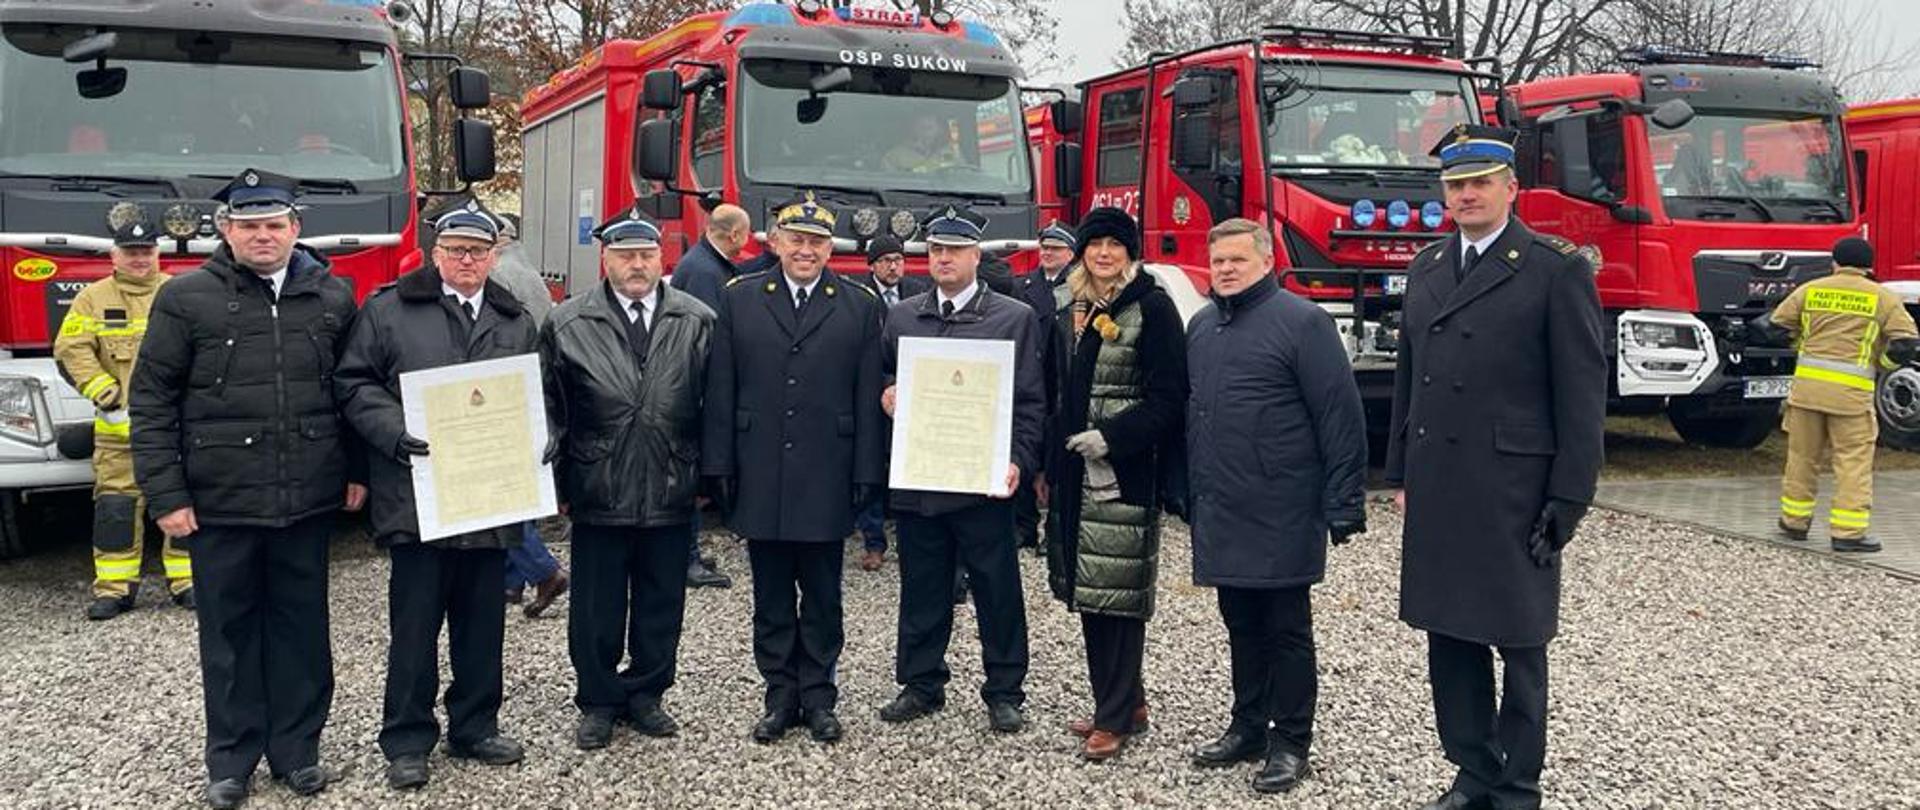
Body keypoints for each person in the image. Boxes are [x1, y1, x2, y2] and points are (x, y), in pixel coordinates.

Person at [1385, 126, 1607, 810]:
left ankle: (1516, 785)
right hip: (1444, 484)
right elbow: (1410, 376)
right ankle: (1471, 769)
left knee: (1519, 643)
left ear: (1511, 187)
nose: (1468, 195)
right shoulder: (1426, 267)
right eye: (1456, 185)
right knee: (1449, 638)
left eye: (1481, 182)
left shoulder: (1554, 267)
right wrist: (1402, 473)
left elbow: (1582, 391)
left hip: (1514, 488)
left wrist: (1570, 496)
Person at [129, 168, 365, 809]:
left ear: (295, 228)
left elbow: (355, 393)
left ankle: (297, 751)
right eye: (249, 226)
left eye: (274, 225)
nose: (263, 236)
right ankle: (232, 758)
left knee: (302, 630)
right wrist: (167, 494)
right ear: (226, 231)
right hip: (220, 500)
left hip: (306, 498)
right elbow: (150, 400)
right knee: (229, 635)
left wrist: (357, 472)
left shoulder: (332, 297)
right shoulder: (186, 300)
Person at [333, 203, 538, 790]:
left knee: (483, 625)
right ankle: (407, 738)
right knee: (415, 626)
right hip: (418, 495)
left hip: (489, 497)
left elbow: (536, 391)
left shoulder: (514, 318)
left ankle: (475, 725)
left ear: (495, 255)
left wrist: (538, 441)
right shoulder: (389, 310)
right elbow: (352, 381)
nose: (467, 260)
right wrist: (396, 432)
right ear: (435, 252)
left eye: (478, 250)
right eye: (456, 250)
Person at [1183, 217, 1367, 791]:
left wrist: (1344, 500)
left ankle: (1291, 740)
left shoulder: (1303, 323)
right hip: (1223, 502)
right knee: (1239, 621)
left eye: (1237, 260)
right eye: (1218, 262)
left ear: (1266, 261)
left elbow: (1339, 416)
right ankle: (1247, 725)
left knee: (1286, 629)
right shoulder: (1202, 325)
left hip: (1283, 504)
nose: (1226, 270)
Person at [701, 192, 886, 744]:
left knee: (825, 596)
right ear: (774, 242)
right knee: (772, 595)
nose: (806, 251)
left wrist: (866, 474)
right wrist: (719, 465)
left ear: (831, 249)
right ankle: (780, 695)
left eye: (817, 242)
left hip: (828, 470)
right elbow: (722, 387)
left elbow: (865, 394)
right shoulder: (740, 299)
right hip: (760, 468)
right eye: (796, 240)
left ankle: (820, 695)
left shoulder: (858, 304)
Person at [541, 207, 716, 750]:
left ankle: (646, 693)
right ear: (606, 259)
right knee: (596, 605)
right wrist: (559, 483)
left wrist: (709, 475)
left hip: (670, 480)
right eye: (625, 255)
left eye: (645, 255)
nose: (636, 265)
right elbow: (549, 405)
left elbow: (714, 401)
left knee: (662, 601)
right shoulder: (567, 322)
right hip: (600, 483)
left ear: (661, 259)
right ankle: (597, 700)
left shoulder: (696, 319)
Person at [876, 203, 1044, 733]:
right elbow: (881, 375)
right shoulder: (903, 315)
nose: (944, 259)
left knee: (997, 588)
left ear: (976, 255)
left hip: (982, 482)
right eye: (936, 251)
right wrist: (886, 395)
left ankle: (1004, 689)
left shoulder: (1013, 318)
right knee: (923, 586)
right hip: (923, 477)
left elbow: (1031, 402)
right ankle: (921, 682)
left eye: (954, 250)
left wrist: (1018, 460)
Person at [1042, 207, 1188, 761]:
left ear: (1131, 252)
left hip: (1122, 471)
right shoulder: (1072, 307)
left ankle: (1115, 717)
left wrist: (1112, 437)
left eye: (1115, 245)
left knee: (1119, 599)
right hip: (1077, 469)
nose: (1104, 254)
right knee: (1092, 592)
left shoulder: (1151, 308)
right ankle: (1125, 700)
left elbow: (1170, 399)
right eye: (1095, 244)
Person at [55, 221, 190, 620]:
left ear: (157, 253)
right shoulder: (91, 299)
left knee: (184, 504)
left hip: (175, 432)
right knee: (116, 508)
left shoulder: (178, 293)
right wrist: (103, 390)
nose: (139, 259)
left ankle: (187, 581)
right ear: (114, 256)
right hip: (120, 435)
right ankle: (114, 589)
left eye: (145, 251)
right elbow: (70, 348)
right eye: (130, 251)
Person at [1761, 236, 1919, 552]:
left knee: (1802, 457)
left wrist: (1799, 347)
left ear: (1834, 262)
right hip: (1851, 396)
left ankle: (1794, 523)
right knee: (1852, 462)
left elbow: (1772, 328)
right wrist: (1879, 364)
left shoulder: (1811, 290)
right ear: (1868, 266)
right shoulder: (1883, 298)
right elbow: (1906, 345)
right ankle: (1848, 533)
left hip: (1806, 393)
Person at [487, 212, 571, 617]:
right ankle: (511, 581)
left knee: (499, 493)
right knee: (515, 485)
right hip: (533, 380)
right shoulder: (529, 270)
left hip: (508, 383)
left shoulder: (499, 274)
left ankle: (543, 570)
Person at [671, 204, 754, 589]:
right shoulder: (705, 273)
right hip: (697, 388)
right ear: (734, 235)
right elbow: (710, 334)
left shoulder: (704, 263)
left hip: (692, 385)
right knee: (689, 474)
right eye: (747, 235)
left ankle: (688, 552)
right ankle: (686, 559)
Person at [845, 235, 929, 571]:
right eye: (885, 261)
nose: (893, 266)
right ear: (872, 265)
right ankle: (873, 541)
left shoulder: (920, 292)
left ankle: (913, 544)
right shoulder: (859, 297)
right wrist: (887, 384)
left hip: (918, 394)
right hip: (873, 395)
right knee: (873, 468)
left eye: (898, 259)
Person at [1014, 221, 1077, 552]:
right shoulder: (1024, 286)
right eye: (1044, 248)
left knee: (1056, 455)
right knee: (1026, 450)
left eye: (1055, 248)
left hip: (1060, 381)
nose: (1048, 254)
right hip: (1030, 375)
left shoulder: (1078, 286)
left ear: (1070, 252)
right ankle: (1024, 527)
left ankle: (1054, 531)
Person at [883, 114, 958, 173]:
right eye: (922, 127)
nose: (926, 132)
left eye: (930, 127)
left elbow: (963, 177)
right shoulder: (895, 156)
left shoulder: (951, 153)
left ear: (939, 130)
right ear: (913, 128)